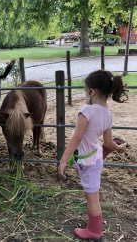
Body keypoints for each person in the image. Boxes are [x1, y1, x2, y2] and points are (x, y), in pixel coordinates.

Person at [58, 70, 128, 241]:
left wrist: (63, 160)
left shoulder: (87, 111)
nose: (85, 93)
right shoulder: (107, 114)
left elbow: (77, 137)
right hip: (92, 157)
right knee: (91, 194)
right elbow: (108, 143)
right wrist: (120, 148)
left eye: (86, 90)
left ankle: (94, 232)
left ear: (92, 91)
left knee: (93, 200)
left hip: (88, 162)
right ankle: (93, 228)